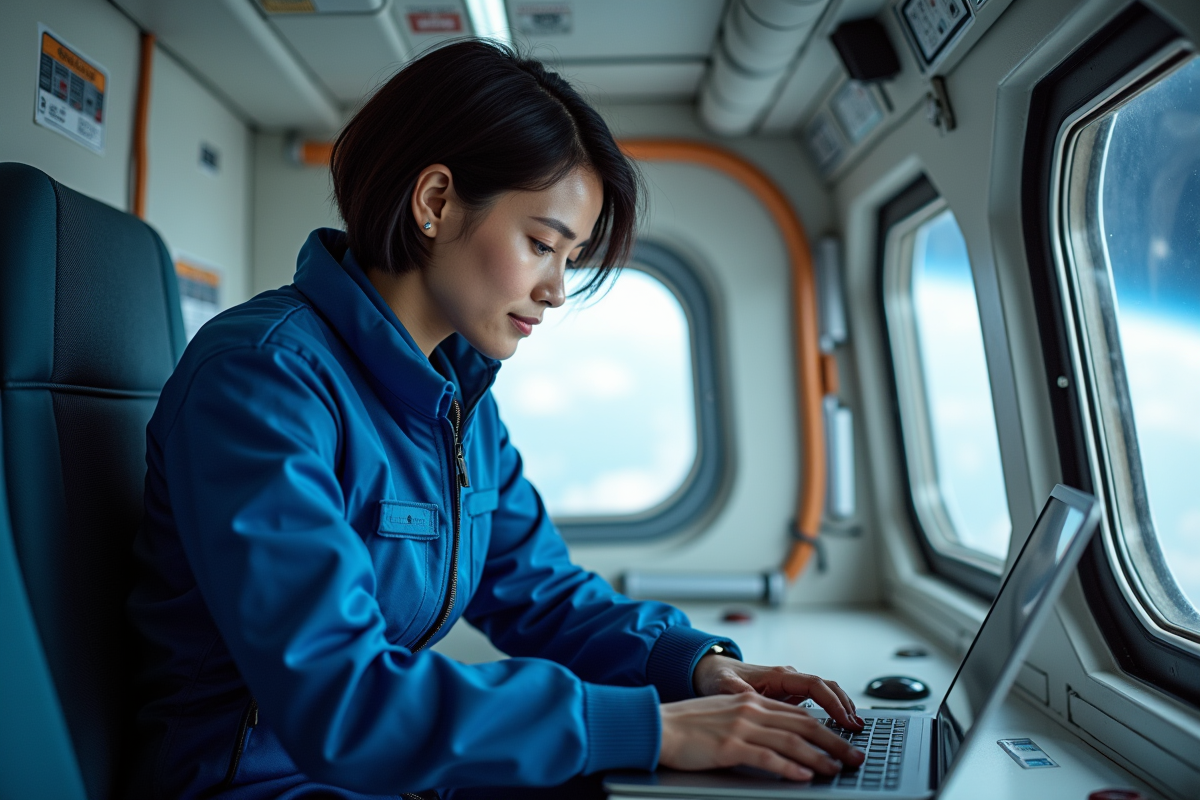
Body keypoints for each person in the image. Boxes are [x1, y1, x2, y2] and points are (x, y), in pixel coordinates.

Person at [126, 40, 865, 799]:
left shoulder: (457, 392)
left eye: (569, 259)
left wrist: (694, 668)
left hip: (385, 774)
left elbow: (536, 588)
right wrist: (657, 727)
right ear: (436, 202)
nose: (555, 291)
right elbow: (341, 700)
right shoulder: (264, 379)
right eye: (542, 244)